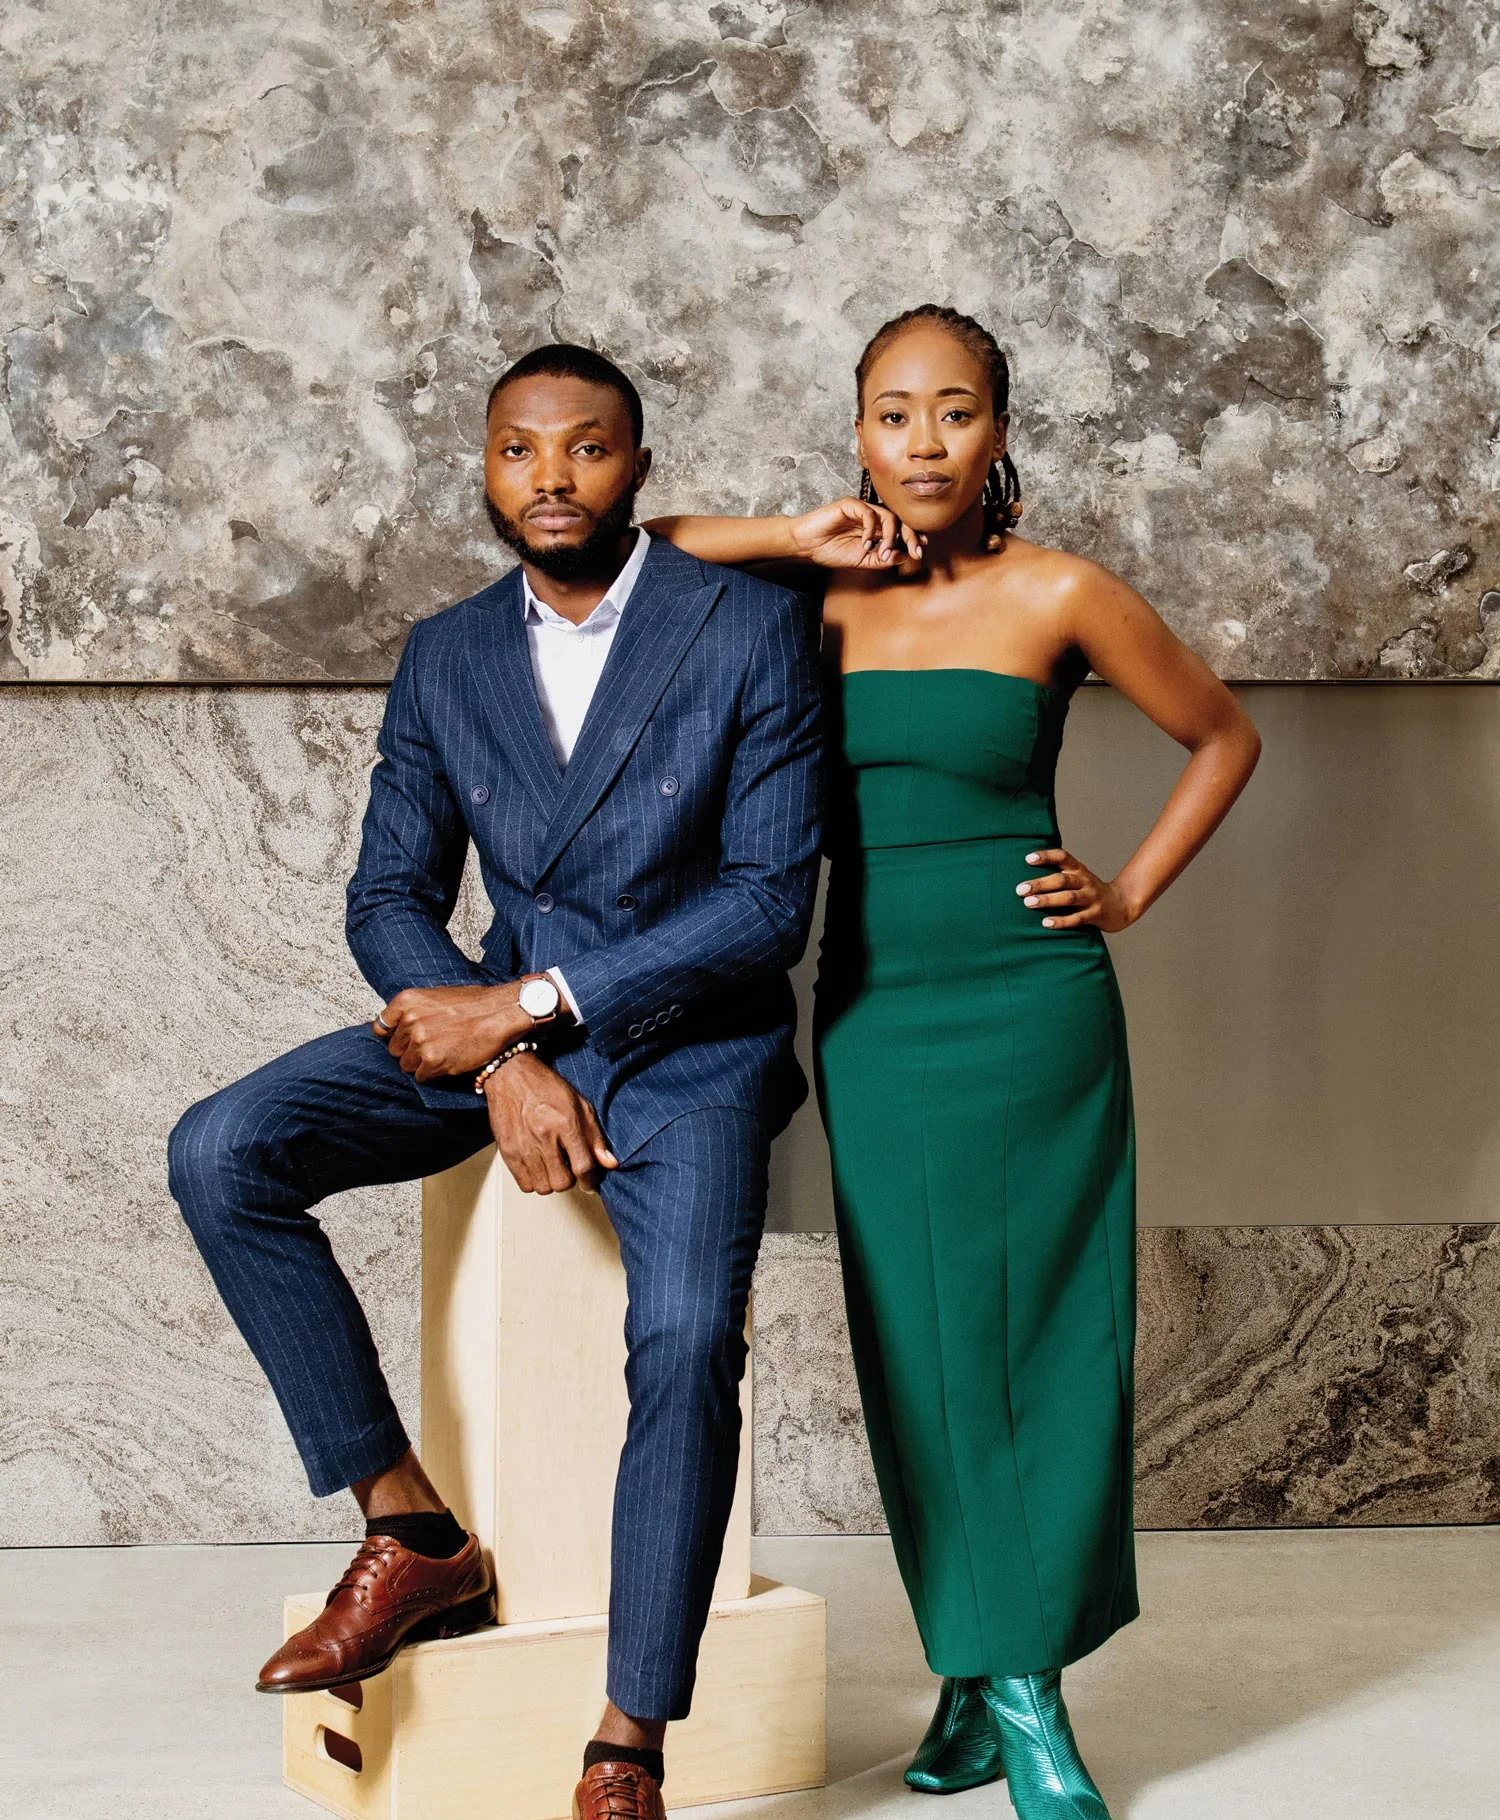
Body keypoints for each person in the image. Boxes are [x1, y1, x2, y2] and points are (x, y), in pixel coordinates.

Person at [167, 344, 823, 1820]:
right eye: (519, 450)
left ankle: (628, 1737)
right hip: (496, 1052)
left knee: (685, 1336)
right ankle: (409, 1531)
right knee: (223, 1151)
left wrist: (529, 1004)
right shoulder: (446, 651)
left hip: (690, 1049)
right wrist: (511, 1055)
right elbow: (385, 892)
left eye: (586, 448)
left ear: (640, 468)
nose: (550, 476)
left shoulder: (749, 626)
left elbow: (767, 904)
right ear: (486, 469)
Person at [647, 304, 1261, 1820]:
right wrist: (797, 531)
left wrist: (1124, 891)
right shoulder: (809, 595)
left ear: (1002, 432)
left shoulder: (1062, 590)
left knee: (1045, 1338)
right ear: (856, 432)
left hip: (1034, 1005)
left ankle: (1028, 1691)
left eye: (956, 411)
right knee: (919, 1348)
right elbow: (645, 545)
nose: (923, 443)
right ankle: (978, 1663)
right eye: (892, 413)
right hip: (874, 1008)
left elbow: (1225, 737)